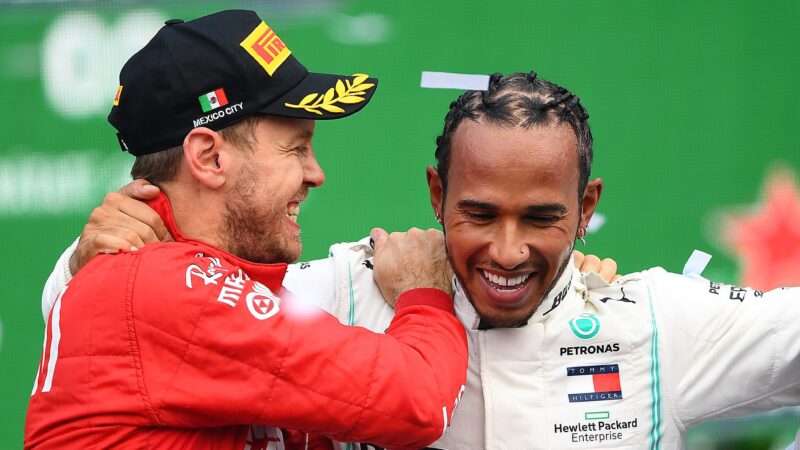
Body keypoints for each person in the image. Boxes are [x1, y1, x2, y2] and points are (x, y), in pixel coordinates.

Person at [45, 71, 799, 450]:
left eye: (542, 219)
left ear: (586, 202)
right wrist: (81, 258)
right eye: (478, 215)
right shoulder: (343, 290)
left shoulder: (655, 318)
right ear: (436, 193)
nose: (508, 250)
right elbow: (124, 332)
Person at [24, 10, 472, 450]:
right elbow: (421, 399)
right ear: (209, 158)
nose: (316, 174)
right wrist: (424, 293)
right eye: (296, 148)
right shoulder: (170, 291)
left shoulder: (167, 286)